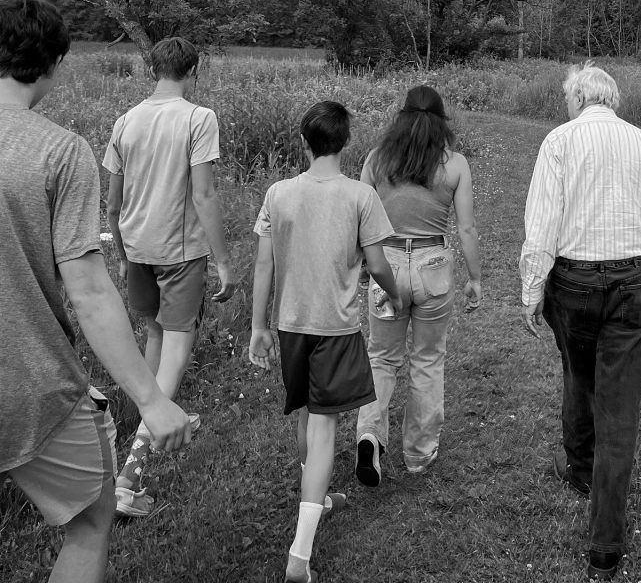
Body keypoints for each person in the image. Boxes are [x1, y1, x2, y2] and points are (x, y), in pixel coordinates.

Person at [0, 0, 191, 583]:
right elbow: (87, 291)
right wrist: (152, 400)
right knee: (90, 522)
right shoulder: (56, 150)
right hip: (29, 386)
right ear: (56, 62)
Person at [520, 63, 641, 582]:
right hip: (634, 279)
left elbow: (542, 222)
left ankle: (581, 469)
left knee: (577, 372)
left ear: (578, 98)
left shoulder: (560, 142)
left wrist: (532, 289)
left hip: (573, 282)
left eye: (568, 99)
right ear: (610, 99)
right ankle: (605, 545)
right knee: (620, 408)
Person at [249, 100, 401, 583]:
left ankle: (315, 498)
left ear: (303, 142)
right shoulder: (360, 196)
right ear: (346, 141)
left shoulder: (279, 193)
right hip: (335, 328)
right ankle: (300, 553)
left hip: (291, 325)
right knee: (322, 428)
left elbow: (264, 265)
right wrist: (394, 294)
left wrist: (258, 327)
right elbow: (377, 265)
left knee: (308, 413)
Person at [103, 36, 235, 516]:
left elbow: (113, 204)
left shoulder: (125, 121)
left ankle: (156, 410)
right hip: (180, 254)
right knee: (176, 352)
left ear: (151, 69)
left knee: (154, 334)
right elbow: (203, 195)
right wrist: (223, 260)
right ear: (193, 71)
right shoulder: (199, 118)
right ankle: (129, 476)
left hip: (136, 247)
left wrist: (121, 254)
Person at [355, 84, 482, 483]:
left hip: (385, 264)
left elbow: (359, 220)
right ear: (441, 122)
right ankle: (418, 453)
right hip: (433, 266)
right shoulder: (455, 165)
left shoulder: (377, 160)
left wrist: (359, 266)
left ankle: (370, 435)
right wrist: (475, 278)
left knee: (382, 357)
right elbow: (466, 227)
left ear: (402, 117)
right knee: (427, 359)